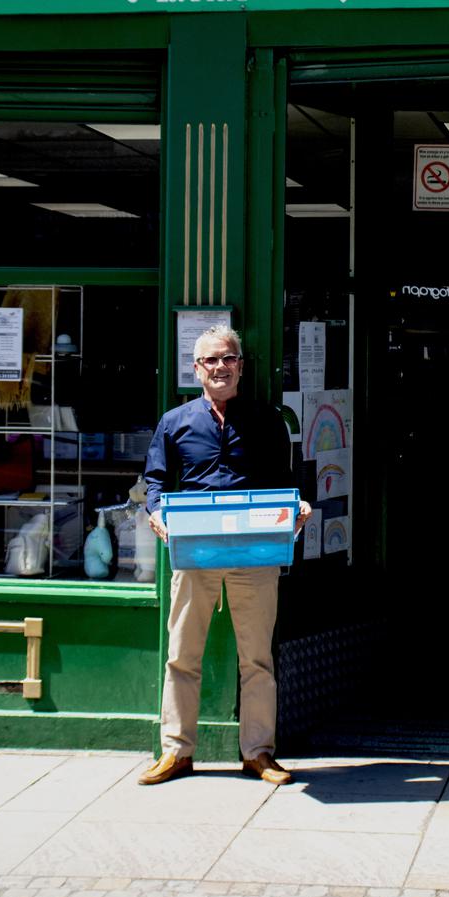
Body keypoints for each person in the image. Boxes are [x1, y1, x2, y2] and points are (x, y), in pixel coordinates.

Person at [138, 324, 311, 787]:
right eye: (211, 360)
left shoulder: (266, 419)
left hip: (254, 551)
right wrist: (156, 513)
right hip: (194, 550)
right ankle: (176, 751)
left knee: (257, 658)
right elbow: (155, 481)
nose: (220, 367)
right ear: (197, 368)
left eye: (228, 358)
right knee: (182, 654)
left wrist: (297, 508)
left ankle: (258, 753)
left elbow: (284, 481)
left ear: (241, 366)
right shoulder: (175, 422)